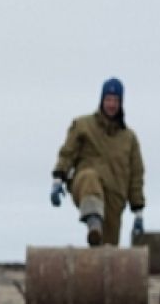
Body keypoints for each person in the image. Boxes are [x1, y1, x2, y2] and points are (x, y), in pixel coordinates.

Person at [50, 77, 145, 246]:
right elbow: (67, 153)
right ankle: (93, 220)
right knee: (90, 177)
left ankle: (98, 251)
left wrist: (138, 212)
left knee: (107, 251)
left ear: (121, 103)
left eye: (116, 100)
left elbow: (136, 176)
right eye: (108, 99)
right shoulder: (83, 126)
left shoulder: (129, 138)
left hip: (114, 199)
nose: (111, 104)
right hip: (85, 185)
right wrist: (58, 179)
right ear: (102, 100)